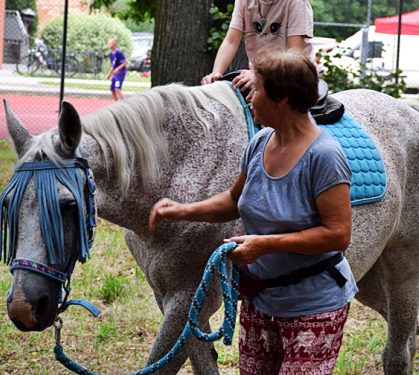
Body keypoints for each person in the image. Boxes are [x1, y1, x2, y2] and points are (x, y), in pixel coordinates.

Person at [152, 47, 357, 375]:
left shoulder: (325, 156)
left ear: (283, 99)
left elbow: (338, 235)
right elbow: (234, 200)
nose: (249, 97)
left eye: (257, 89)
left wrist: (265, 244)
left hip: (314, 306)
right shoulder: (260, 142)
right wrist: (182, 210)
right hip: (261, 301)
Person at [105, 38, 127, 102]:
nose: (108, 45)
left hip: (120, 73)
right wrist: (109, 74)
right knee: (112, 89)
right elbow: (113, 65)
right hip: (115, 75)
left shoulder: (118, 52)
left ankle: (123, 103)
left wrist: (117, 69)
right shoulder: (111, 53)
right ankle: (116, 103)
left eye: (110, 43)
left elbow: (125, 62)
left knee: (117, 89)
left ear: (114, 44)